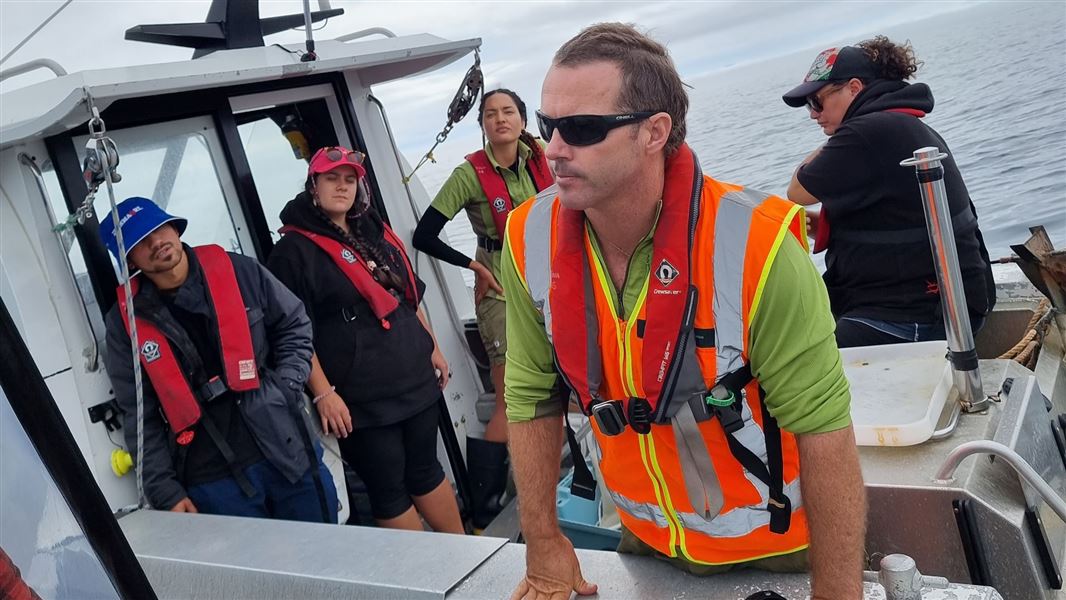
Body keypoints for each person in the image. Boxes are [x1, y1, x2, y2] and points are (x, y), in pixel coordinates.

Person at [502, 23, 865, 599]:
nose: (553, 149)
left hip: (778, 553)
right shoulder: (526, 238)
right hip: (645, 549)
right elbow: (529, 393)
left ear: (654, 132)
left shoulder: (760, 247)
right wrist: (542, 537)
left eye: (582, 129)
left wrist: (837, 594)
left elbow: (823, 429)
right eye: (547, 125)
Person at [100, 196, 337, 522]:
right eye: (140, 242)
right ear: (129, 259)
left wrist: (287, 385)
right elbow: (139, 415)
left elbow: (293, 324)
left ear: (174, 227)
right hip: (211, 478)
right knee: (254, 572)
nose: (156, 243)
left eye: (158, 229)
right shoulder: (122, 325)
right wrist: (164, 490)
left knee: (326, 551)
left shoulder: (239, 270)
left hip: (286, 447)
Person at [267, 146, 464, 533]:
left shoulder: (373, 231)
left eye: (350, 179)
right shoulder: (291, 252)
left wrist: (435, 348)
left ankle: (468, 554)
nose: (342, 186)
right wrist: (324, 393)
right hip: (361, 398)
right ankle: (431, 580)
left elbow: (408, 298)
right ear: (313, 185)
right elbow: (292, 332)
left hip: (415, 377)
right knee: (388, 488)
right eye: (331, 178)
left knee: (427, 470)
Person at [783, 37, 996, 348]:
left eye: (817, 102)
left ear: (854, 89)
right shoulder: (903, 123)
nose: (814, 115)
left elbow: (797, 191)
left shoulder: (864, 131)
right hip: (952, 304)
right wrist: (820, 226)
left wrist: (832, 139)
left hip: (914, 316)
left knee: (791, 354)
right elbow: (896, 215)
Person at [412, 88, 553, 530]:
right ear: (483, 126)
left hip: (548, 287)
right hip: (499, 294)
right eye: (490, 114)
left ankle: (533, 484)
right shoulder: (468, 174)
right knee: (510, 399)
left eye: (508, 111)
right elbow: (425, 235)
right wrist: (473, 263)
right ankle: (484, 506)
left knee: (553, 388)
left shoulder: (542, 156)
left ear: (523, 120)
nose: (500, 120)